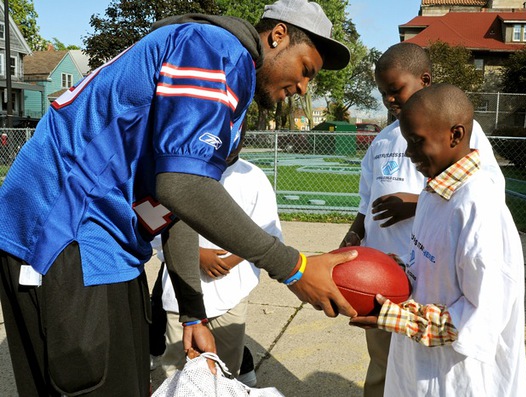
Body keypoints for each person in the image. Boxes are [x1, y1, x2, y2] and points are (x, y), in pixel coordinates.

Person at [0, 1, 358, 395]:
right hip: (62, 236)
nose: (304, 87)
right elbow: (181, 185)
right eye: (306, 69)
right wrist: (293, 267)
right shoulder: (213, 47)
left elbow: (179, 206)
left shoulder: (228, 93)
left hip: (105, 242)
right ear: (278, 36)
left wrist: (192, 313)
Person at [340, 42, 504, 397]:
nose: (389, 101)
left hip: (436, 307)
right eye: (382, 94)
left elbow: (478, 317)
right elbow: (367, 199)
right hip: (396, 277)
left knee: (425, 372)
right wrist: (358, 239)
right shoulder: (387, 141)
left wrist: (412, 203)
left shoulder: (469, 167)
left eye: (395, 89)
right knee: (388, 365)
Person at [153, 137, 282, 385]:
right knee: (177, 368)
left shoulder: (253, 177)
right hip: (182, 292)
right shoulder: (177, 171)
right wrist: (199, 255)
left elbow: (268, 231)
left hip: (231, 291)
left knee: (226, 369)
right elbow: (157, 230)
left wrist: (231, 260)